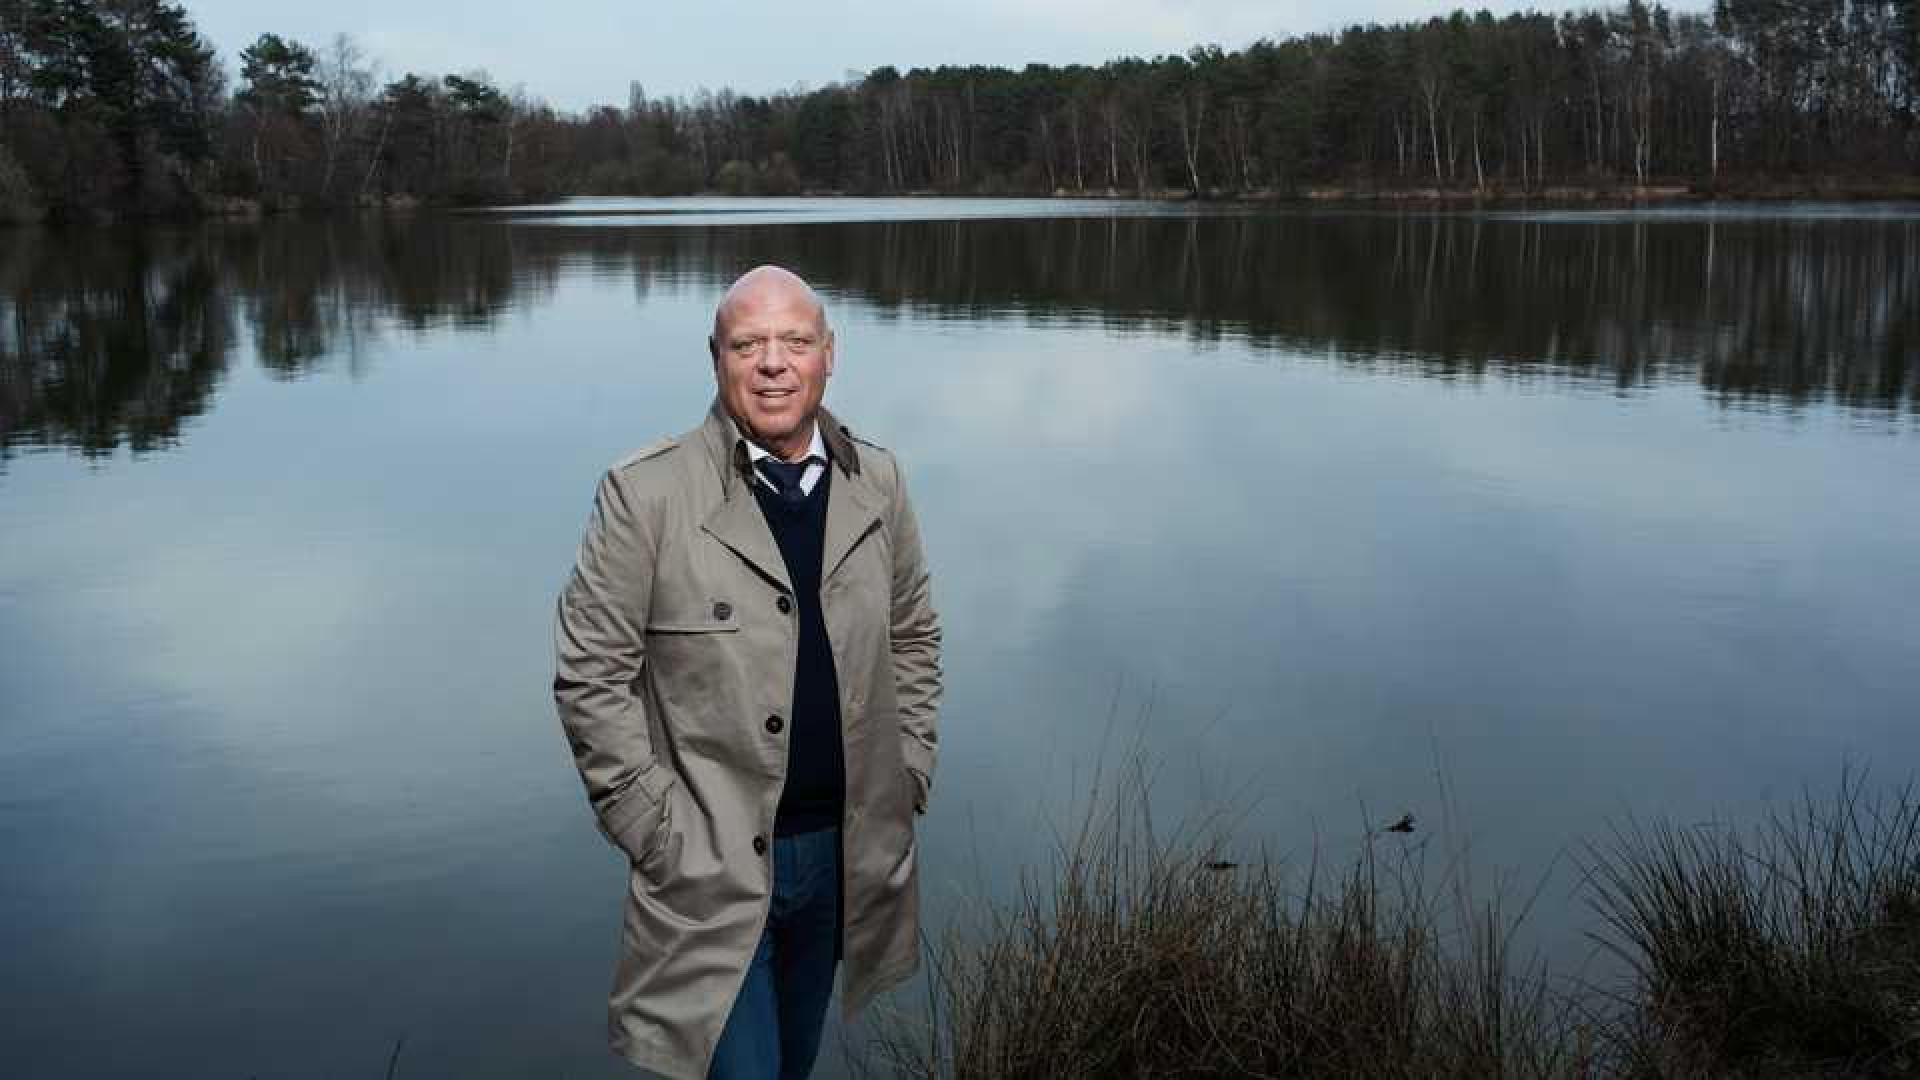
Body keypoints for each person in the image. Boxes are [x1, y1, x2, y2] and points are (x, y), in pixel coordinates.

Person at [553, 265, 942, 1080]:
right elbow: (591, 676)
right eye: (748, 343)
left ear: (828, 355)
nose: (773, 362)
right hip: (710, 869)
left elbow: (913, 634)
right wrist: (657, 834)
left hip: (843, 859)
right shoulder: (646, 495)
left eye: (794, 342)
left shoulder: (879, 482)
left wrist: (907, 773)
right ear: (717, 358)